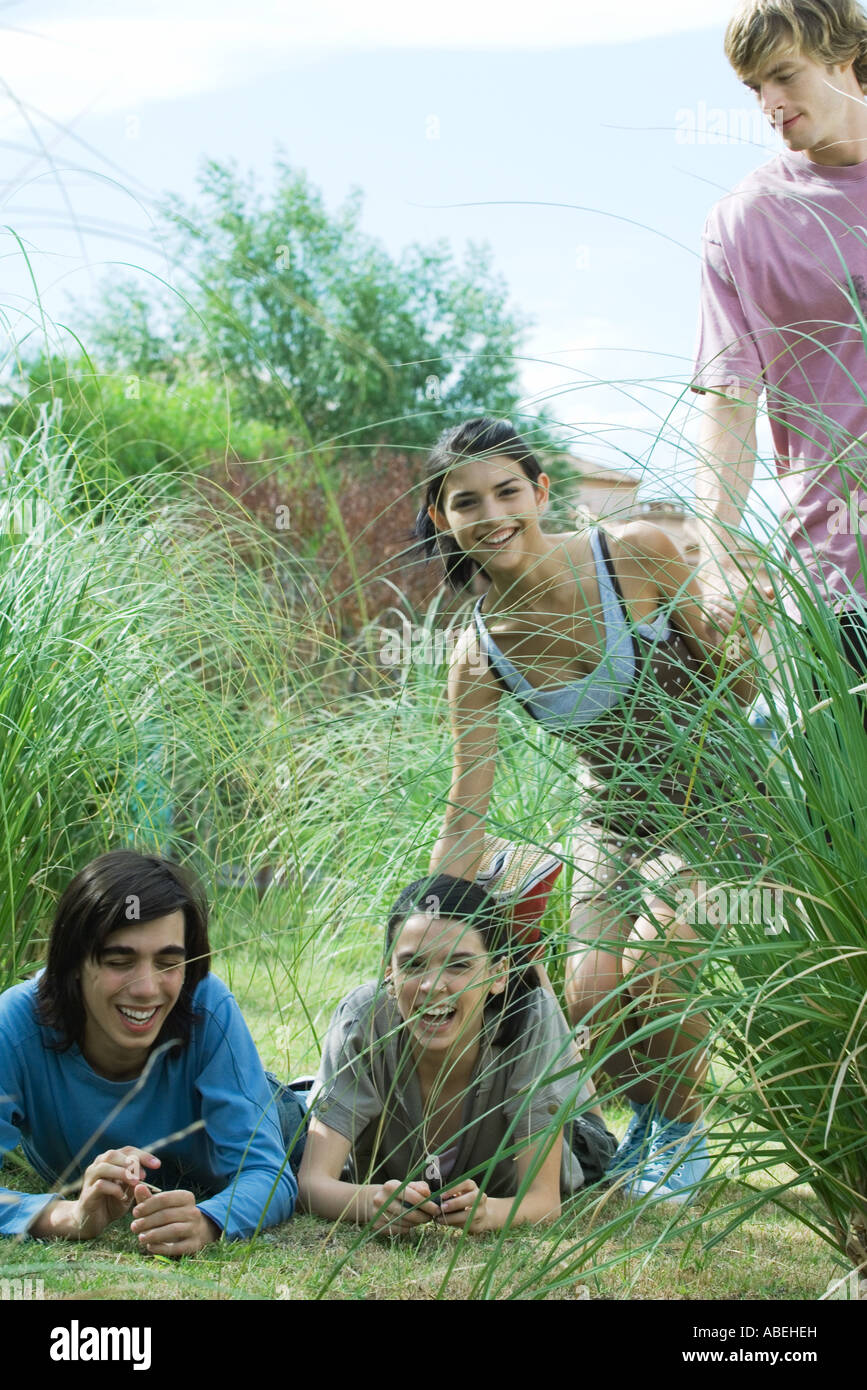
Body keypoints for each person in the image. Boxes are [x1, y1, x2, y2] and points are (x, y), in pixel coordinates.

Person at [414, 417, 762, 1204]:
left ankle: (681, 1136)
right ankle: (654, 1123)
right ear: (444, 518)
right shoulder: (477, 652)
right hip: (613, 812)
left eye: (507, 491)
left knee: (657, 965)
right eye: (466, 501)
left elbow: (734, 689)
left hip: (720, 795)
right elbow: (467, 811)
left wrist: (746, 635)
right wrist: (428, 922)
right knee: (590, 987)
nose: (492, 513)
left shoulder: (634, 551)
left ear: (538, 493)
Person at [693, 0, 867, 711]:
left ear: (845, 58)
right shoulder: (745, 223)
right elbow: (727, 402)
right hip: (840, 580)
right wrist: (716, 553)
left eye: (783, 76)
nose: (768, 103)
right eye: (752, 87)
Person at [0, 850, 298, 1253]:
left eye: (168, 962)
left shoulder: (207, 1006)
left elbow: (268, 1171)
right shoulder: (15, 1025)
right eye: (119, 961)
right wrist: (67, 1216)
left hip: (277, 1110)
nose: (145, 988)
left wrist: (210, 1221)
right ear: (71, 963)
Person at [298, 875, 616, 1233]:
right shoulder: (362, 1019)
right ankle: (515, 940)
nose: (433, 985)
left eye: (459, 964)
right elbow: (312, 1184)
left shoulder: (529, 1018)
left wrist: (490, 1214)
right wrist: (370, 1203)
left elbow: (544, 1202)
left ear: (498, 976)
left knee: (595, 1139)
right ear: (390, 973)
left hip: (570, 1128)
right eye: (414, 965)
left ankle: (527, 946)